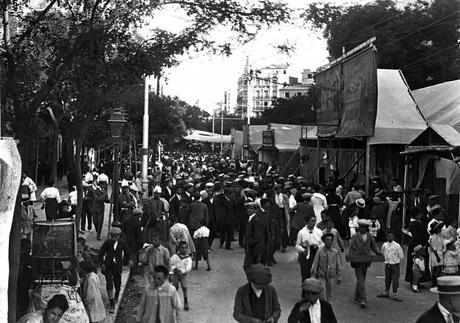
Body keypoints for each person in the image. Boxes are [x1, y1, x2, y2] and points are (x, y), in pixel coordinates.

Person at [348, 219, 382, 308]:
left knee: (361, 278)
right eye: (361, 227)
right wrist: (351, 258)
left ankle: (357, 295)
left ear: (366, 228)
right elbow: (351, 248)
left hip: (366, 261)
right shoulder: (355, 236)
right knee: (361, 280)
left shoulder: (370, 237)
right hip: (357, 260)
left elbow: (374, 247)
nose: (362, 229)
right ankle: (363, 299)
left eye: (364, 227)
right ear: (359, 227)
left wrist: (379, 253)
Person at [98, 227, 132, 313]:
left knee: (117, 282)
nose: (113, 238)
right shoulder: (107, 243)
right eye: (112, 236)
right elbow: (101, 253)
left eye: (115, 236)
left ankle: (117, 293)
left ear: (119, 236)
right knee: (109, 282)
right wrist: (101, 263)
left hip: (117, 266)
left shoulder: (122, 243)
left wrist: (130, 260)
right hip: (108, 266)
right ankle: (111, 301)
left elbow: (128, 252)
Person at [310, 232, 342, 302]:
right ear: (324, 241)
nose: (329, 242)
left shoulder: (335, 252)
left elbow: (338, 265)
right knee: (322, 294)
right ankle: (323, 308)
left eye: (331, 240)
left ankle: (328, 308)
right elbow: (315, 264)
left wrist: (339, 276)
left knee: (330, 294)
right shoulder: (320, 251)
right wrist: (313, 276)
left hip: (331, 277)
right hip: (321, 276)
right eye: (327, 240)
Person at [377, 230, 404, 301]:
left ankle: (395, 294)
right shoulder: (384, 245)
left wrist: (395, 259)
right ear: (386, 237)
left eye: (391, 236)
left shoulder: (397, 246)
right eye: (388, 236)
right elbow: (383, 253)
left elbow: (401, 256)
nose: (390, 237)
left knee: (395, 280)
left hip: (395, 265)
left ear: (394, 236)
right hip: (387, 264)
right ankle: (386, 292)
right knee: (387, 279)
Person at [296, 214, 324, 284]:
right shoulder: (301, 232)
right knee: (305, 274)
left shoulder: (319, 231)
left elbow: (323, 243)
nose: (314, 223)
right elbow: (297, 245)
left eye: (315, 221)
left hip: (316, 253)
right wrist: (303, 250)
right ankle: (305, 293)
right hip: (306, 255)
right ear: (307, 222)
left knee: (317, 274)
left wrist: (319, 247)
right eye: (312, 221)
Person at [244, 201, 270, 270]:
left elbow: (257, 236)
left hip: (254, 247)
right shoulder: (251, 218)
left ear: (255, 210)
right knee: (250, 265)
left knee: (249, 265)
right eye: (247, 208)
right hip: (252, 246)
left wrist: (249, 242)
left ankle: (253, 280)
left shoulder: (256, 220)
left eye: (251, 208)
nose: (248, 210)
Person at [170, 241, 192, 311]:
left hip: (183, 275)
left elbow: (189, 267)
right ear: (179, 248)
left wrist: (183, 271)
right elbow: (170, 264)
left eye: (185, 248)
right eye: (182, 248)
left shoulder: (188, 258)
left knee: (184, 287)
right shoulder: (175, 256)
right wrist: (173, 269)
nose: (184, 249)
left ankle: (186, 301)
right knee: (175, 287)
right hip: (175, 274)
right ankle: (174, 301)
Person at [123, 208, 143, 275]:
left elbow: (124, 231)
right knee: (134, 258)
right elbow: (138, 235)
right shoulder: (137, 223)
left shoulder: (127, 220)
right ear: (138, 215)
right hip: (134, 244)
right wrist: (141, 244)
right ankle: (133, 272)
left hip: (127, 241)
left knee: (127, 256)